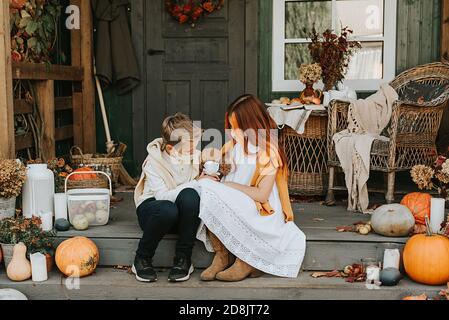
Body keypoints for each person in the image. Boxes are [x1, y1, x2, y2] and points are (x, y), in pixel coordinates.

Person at [197, 94, 307, 282]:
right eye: (230, 127)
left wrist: (229, 186)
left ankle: (246, 260)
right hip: (236, 202)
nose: (232, 133)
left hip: (259, 209)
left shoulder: (268, 151)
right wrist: (209, 173)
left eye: (237, 127)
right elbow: (218, 169)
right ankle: (222, 255)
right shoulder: (233, 146)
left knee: (213, 191)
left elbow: (263, 195)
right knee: (204, 187)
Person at [133, 113, 203, 283]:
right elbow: (163, 196)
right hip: (155, 212)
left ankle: (183, 258)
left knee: (190, 196)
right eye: (190, 146)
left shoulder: (193, 155)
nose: (195, 149)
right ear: (171, 148)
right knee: (168, 208)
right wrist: (197, 182)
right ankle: (142, 257)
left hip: (182, 217)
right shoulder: (153, 162)